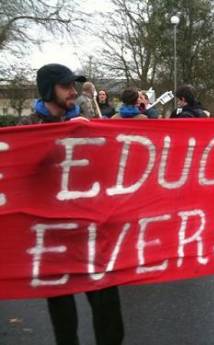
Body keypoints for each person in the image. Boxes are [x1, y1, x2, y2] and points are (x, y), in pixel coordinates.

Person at [26, 63, 125, 345]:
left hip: (92, 233)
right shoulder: (27, 130)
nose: (73, 92)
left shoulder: (85, 124)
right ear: (48, 90)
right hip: (52, 239)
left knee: (110, 319)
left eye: (74, 86)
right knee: (64, 325)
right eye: (66, 86)